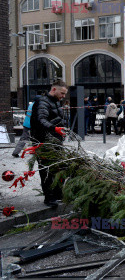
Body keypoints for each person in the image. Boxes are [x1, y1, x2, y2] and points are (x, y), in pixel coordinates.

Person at [30, 80, 68, 208]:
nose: (63, 96)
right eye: (62, 93)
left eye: (64, 94)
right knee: (46, 169)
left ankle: (58, 193)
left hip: (55, 140)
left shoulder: (56, 101)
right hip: (44, 140)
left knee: (59, 167)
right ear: (54, 90)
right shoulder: (42, 102)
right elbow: (41, 120)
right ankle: (49, 197)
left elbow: (57, 118)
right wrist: (54, 128)